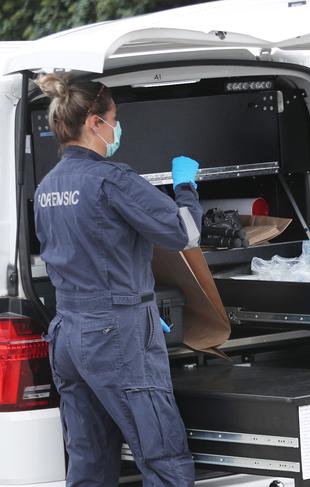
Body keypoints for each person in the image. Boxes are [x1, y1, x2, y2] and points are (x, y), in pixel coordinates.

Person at [35, 74, 201, 486]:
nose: (117, 128)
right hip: (116, 331)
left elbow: (81, 253)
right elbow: (185, 234)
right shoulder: (111, 179)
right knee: (163, 456)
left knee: (89, 462)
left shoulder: (47, 187)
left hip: (69, 332)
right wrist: (185, 186)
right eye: (114, 119)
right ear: (94, 122)